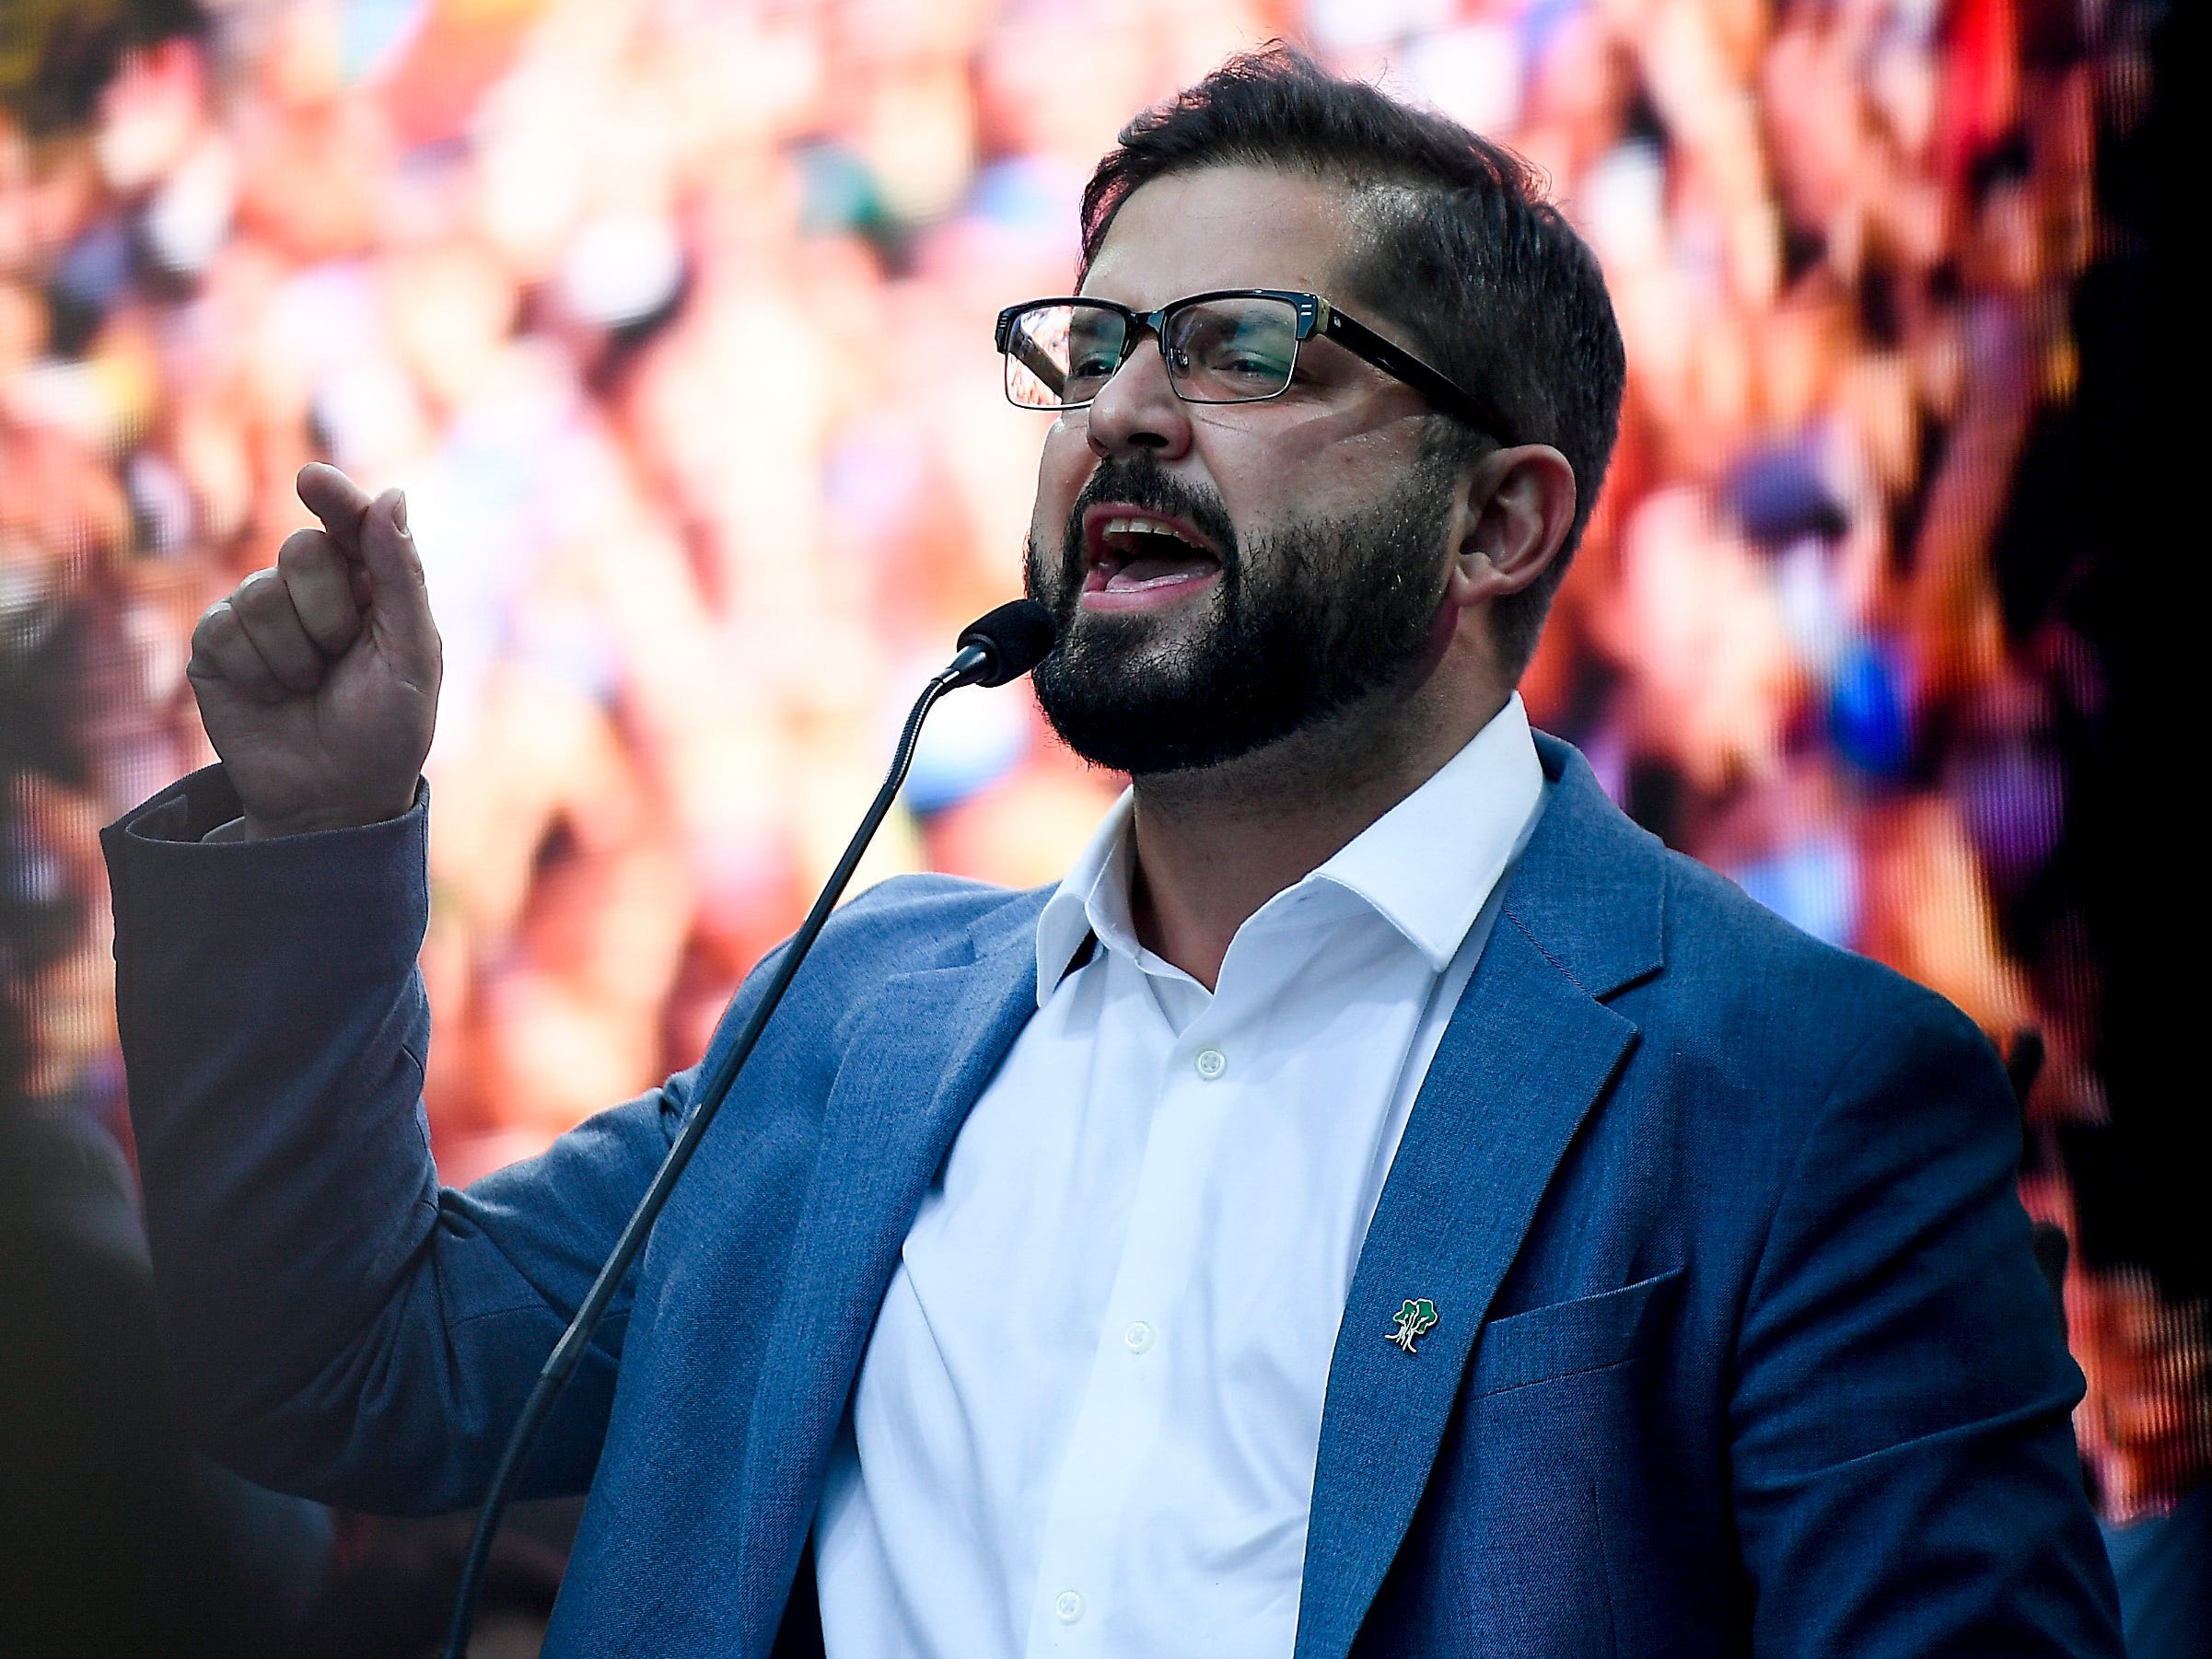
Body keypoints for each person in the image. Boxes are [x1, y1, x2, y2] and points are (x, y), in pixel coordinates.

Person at [102, 50, 2120, 1659]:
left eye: (1244, 351)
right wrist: (326, 818)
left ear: (1500, 523)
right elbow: (343, 1368)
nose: (1122, 416)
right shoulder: (854, 1021)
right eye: (1092, 349)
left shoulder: (1797, 1093)